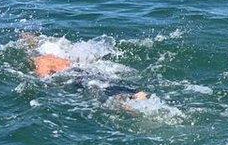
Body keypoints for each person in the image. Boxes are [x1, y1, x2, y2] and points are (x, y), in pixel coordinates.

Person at [20, 33, 149, 110]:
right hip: (92, 71)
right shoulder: (67, 57)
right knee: (114, 86)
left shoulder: (42, 59)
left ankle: (127, 106)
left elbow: (43, 78)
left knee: (109, 97)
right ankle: (137, 96)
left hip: (77, 76)